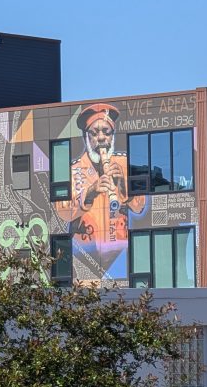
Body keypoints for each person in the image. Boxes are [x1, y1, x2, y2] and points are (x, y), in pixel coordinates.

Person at [54, 103, 145, 279]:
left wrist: (122, 186)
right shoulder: (73, 170)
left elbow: (140, 206)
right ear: (86, 137)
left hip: (121, 256)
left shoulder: (125, 164)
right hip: (84, 256)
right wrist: (90, 193)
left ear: (113, 136)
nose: (101, 138)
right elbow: (63, 212)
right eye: (94, 133)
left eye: (106, 132)